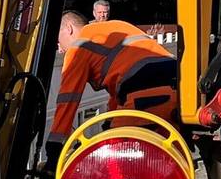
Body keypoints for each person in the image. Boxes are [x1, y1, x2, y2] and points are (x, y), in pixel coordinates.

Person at [50, 11, 177, 141]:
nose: (59, 49)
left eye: (58, 41)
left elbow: (67, 99)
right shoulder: (116, 27)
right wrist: (110, 121)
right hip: (179, 85)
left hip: (145, 94)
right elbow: (119, 89)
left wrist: (54, 146)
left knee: (113, 151)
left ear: (69, 28)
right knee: (174, 153)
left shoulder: (78, 47)